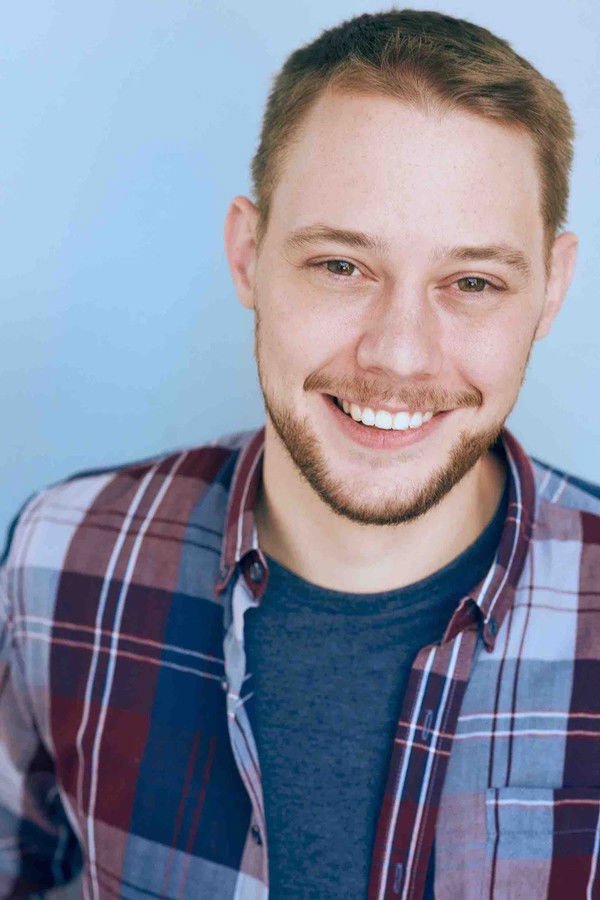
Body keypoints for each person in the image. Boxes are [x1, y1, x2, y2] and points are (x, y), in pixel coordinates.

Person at [1, 8, 598, 899]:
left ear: (550, 290)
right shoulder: (59, 555)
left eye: (473, 282)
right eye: (340, 266)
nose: (399, 355)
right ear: (248, 254)